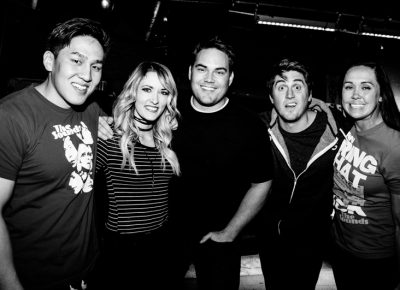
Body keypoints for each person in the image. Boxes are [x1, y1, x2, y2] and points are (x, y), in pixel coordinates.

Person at [97, 36, 274, 290]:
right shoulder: (168, 113)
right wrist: (102, 120)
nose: (209, 79)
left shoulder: (249, 125)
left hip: (220, 242)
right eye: (202, 69)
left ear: (231, 78)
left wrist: (231, 232)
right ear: (191, 72)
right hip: (166, 239)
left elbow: (262, 182)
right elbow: (133, 119)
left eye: (219, 71)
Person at [0, 17, 111, 290]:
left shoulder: (92, 109)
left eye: (95, 66)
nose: (87, 75)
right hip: (33, 277)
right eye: (76, 60)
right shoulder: (11, 118)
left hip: (85, 268)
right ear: (50, 61)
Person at [257, 58, 349, 290]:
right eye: (281, 87)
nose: (289, 95)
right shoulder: (257, 130)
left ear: (309, 96)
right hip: (270, 239)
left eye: (297, 86)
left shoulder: (339, 131)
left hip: (312, 242)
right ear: (271, 98)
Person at [95, 61, 180, 289]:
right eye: (147, 89)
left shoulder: (167, 140)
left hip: (162, 247)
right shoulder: (111, 137)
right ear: (133, 92)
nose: (155, 100)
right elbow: (72, 192)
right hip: (122, 251)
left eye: (163, 92)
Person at [330, 61, 400, 290]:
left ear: (381, 95)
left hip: (375, 261)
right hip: (341, 250)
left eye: (366, 87)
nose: (356, 94)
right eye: (349, 87)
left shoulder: (394, 146)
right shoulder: (348, 128)